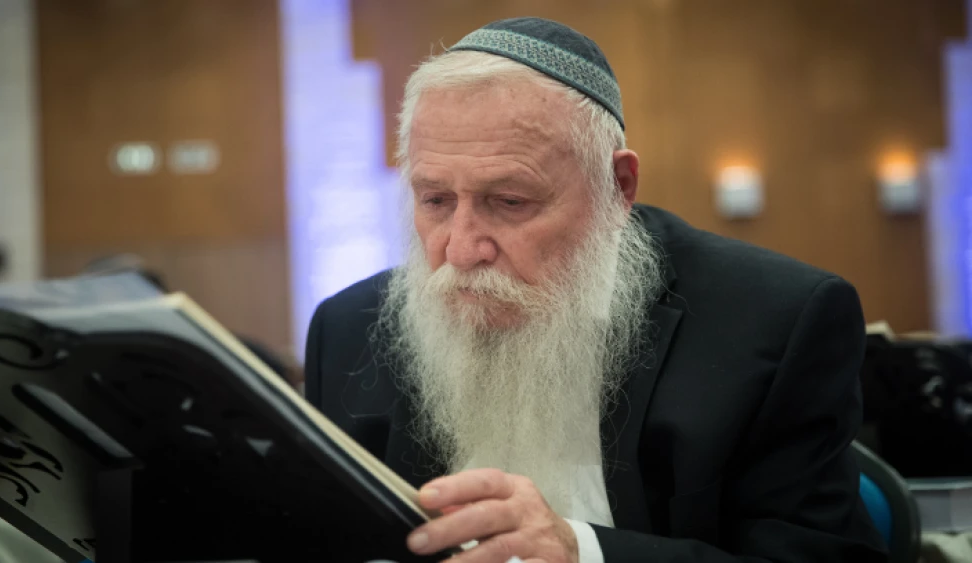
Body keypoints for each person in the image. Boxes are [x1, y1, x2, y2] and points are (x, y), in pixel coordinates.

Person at [305, 16, 888, 563]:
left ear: (618, 186)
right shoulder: (348, 329)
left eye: (509, 201)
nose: (459, 251)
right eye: (434, 200)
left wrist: (579, 550)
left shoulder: (775, 322)